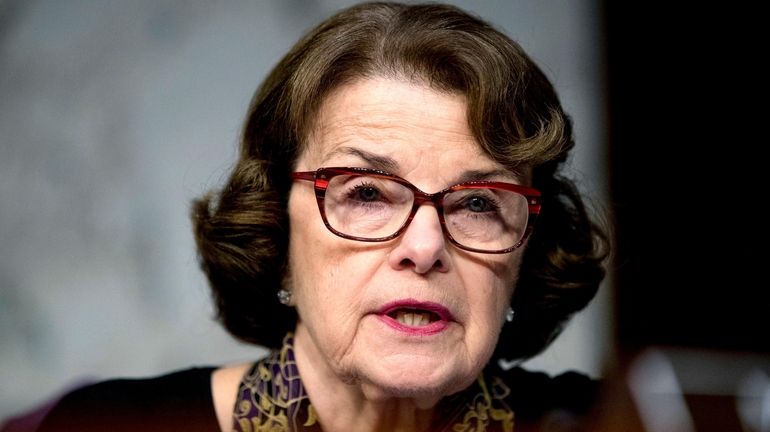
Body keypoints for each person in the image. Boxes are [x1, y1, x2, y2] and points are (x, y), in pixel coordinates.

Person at [34, 1, 608, 431]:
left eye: (479, 203)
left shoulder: (611, 421)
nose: (426, 246)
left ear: (527, 251)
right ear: (277, 237)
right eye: (366, 194)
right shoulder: (105, 424)